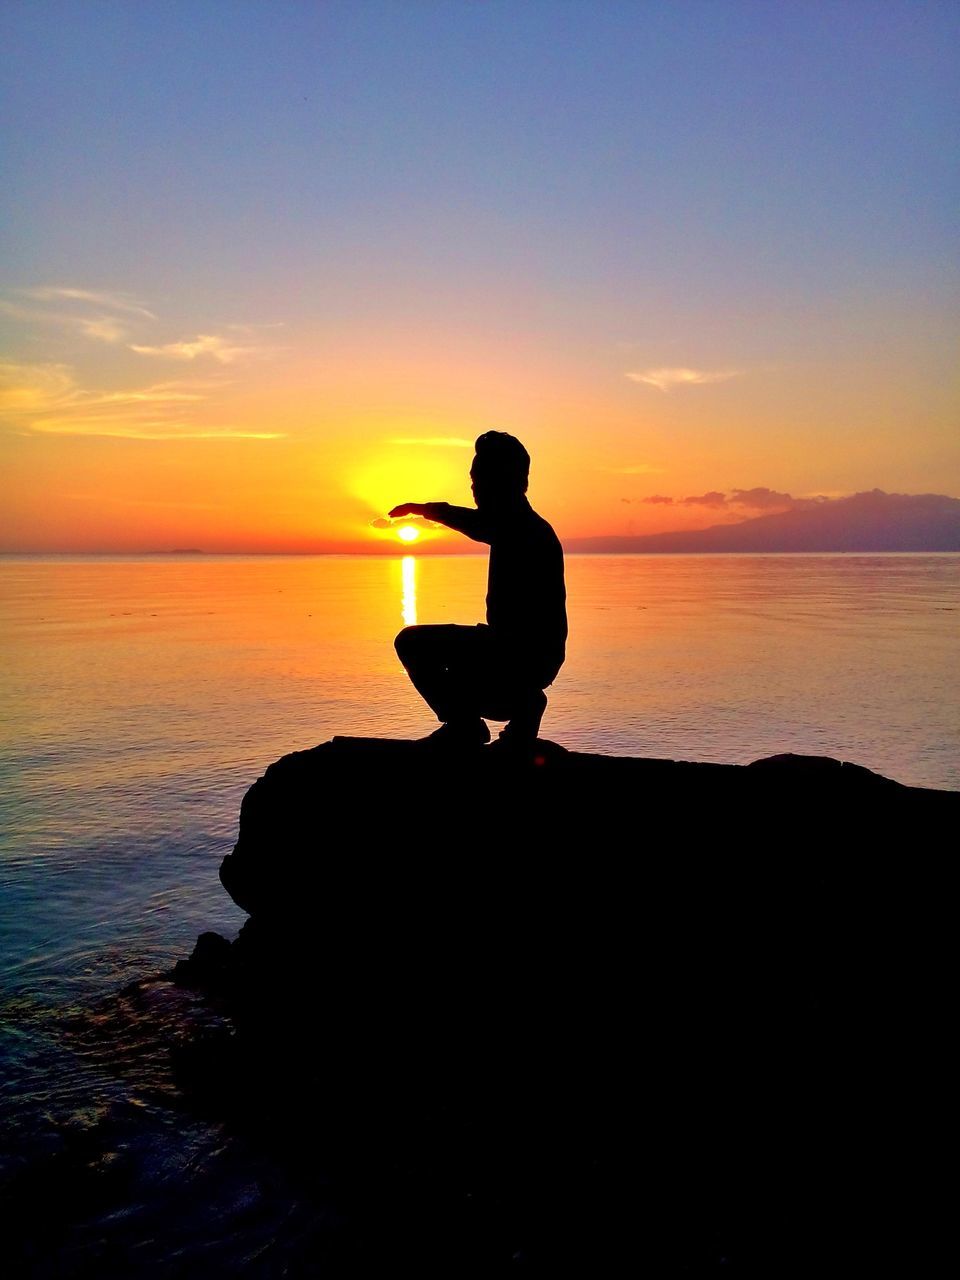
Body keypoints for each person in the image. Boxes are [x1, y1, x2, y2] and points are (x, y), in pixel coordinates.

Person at [390, 431, 566, 750]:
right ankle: (514, 707)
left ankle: (482, 720)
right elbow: (484, 524)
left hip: (523, 656)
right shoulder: (521, 526)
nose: (474, 486)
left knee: (413, 644)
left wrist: (427, 509)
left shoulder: (524, 529)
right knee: (438, 655)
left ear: (506, 479)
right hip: (515, 652)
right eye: (473, 478)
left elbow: (481, 524)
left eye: (480, 477)